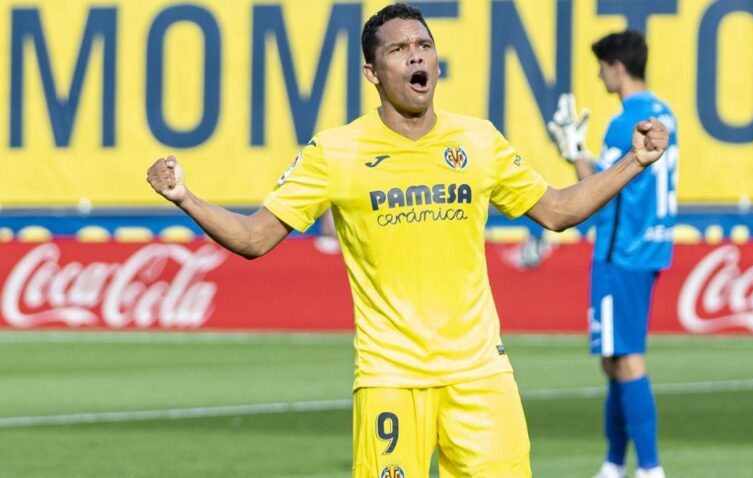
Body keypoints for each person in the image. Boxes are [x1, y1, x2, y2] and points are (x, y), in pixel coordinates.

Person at [147, 5, 670, 477]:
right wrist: (185, 197)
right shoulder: (336, 152)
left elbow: (557, 210)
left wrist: (634, 161)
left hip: (481, 374)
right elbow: (254, 238)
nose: (416, 56)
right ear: (373, 73)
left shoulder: (478, 139)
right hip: (390, 378)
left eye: (424, 45)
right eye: (399, 49)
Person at [548, 30, 678, 478]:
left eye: (602, 65)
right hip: (652, 245)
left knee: (624, 357)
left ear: (618, 67)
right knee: (614, 356)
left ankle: (649, 467)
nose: (599, 73)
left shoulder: (625, 122)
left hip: (620, 250)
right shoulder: (665, 113)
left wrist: (574, 152)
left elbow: (598, 193)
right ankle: (612, 463)